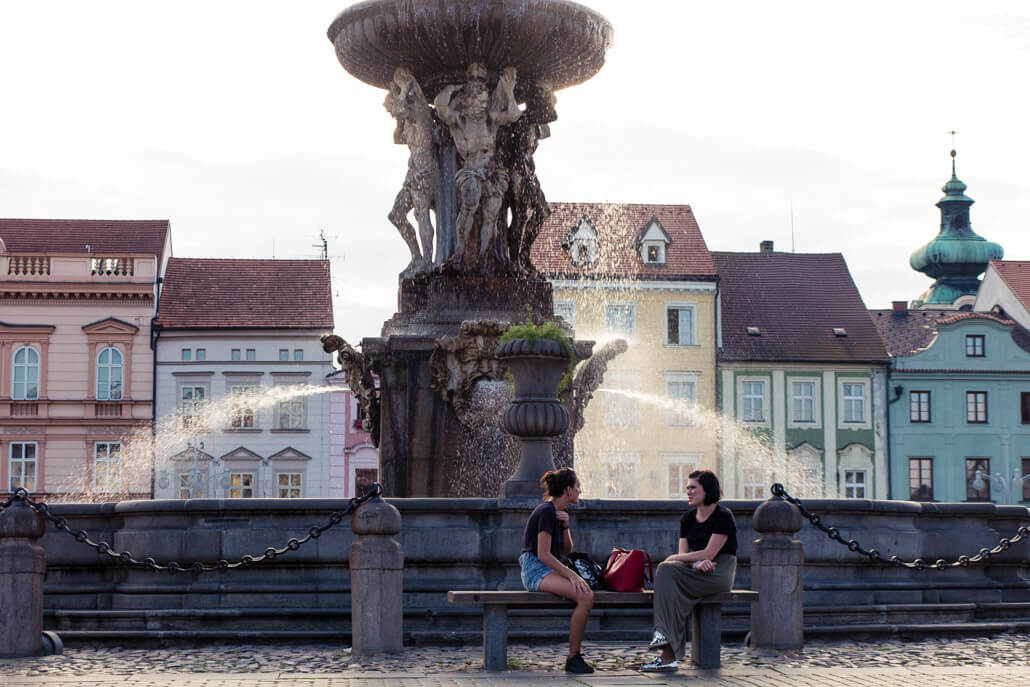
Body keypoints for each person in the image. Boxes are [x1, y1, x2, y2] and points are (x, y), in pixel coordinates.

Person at [641, 469, 737, 672]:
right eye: (687, 488)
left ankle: (666, 646)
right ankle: (667, 649)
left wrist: (680, 558)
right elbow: (685, 555)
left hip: (719, 573)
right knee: (667, 572)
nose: (689, 492)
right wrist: (695, 563)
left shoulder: (723, 516)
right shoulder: (687, 518)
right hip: (696, 570)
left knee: (667, 570)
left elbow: (710, 553)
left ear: (708, 490)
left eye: (693, 488)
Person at [519, 468, 595, 674]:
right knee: (586, 596)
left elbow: (567, 552)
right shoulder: (545, 512)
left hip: (546, 567)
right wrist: (572, 575)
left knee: (586, 593)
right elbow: (543, 554)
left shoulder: (557, 513)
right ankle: (573, 658)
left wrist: (565, 527)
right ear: (568, 490)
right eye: (578, 486)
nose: (580, 490)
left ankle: (574, 656)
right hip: (535, 568)